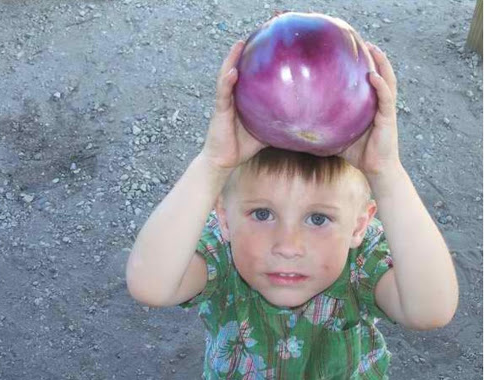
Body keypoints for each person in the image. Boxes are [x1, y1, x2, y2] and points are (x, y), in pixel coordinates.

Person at [126, 39, 459, 379]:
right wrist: (212, 163)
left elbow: (430, 309)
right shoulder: (225, 257)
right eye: (262, 214)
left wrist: (387, 174)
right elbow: (150, 285)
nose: (287, 246)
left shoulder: (359, 264)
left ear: (359, 227)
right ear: (223, 217)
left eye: (318, 219)